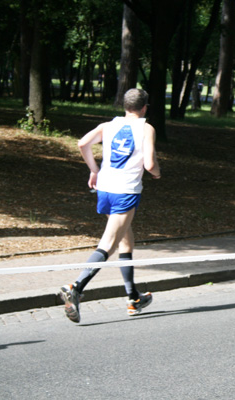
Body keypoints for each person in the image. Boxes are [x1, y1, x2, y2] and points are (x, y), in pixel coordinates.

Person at [58, 88, 161, 323]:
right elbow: (150, 164)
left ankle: (133, 297)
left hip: (104, 189)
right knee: (108, 244)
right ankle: (76, 287)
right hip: (125, 191)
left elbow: (83, 143)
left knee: (126, 240)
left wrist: (94, 170)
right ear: (145, 107)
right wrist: (157, 174)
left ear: (124, 106)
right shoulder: (146, 128)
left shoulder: (108, 126)